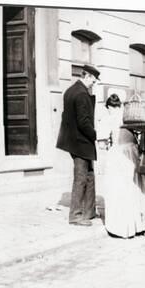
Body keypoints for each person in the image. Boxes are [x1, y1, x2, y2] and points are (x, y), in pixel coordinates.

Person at [103, 95, 145, 238]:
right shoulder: (129, 115)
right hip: (133, 151)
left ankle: (123, 227)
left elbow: (102, 142)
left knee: (120, 188)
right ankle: (141, 225)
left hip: (120, 154)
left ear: (110, 107)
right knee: (136, 186)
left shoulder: (110, 118)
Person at [56, 65, 100, 226]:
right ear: (87, 76)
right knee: (81, 177)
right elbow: (83, 122)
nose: (93, 84)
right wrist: (96, 135)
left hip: (74, 140)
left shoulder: (70, 90)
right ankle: (75, 215)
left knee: (89, 175)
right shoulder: (81, 94)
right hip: (80, 141)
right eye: (93, 81)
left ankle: (89, 211)